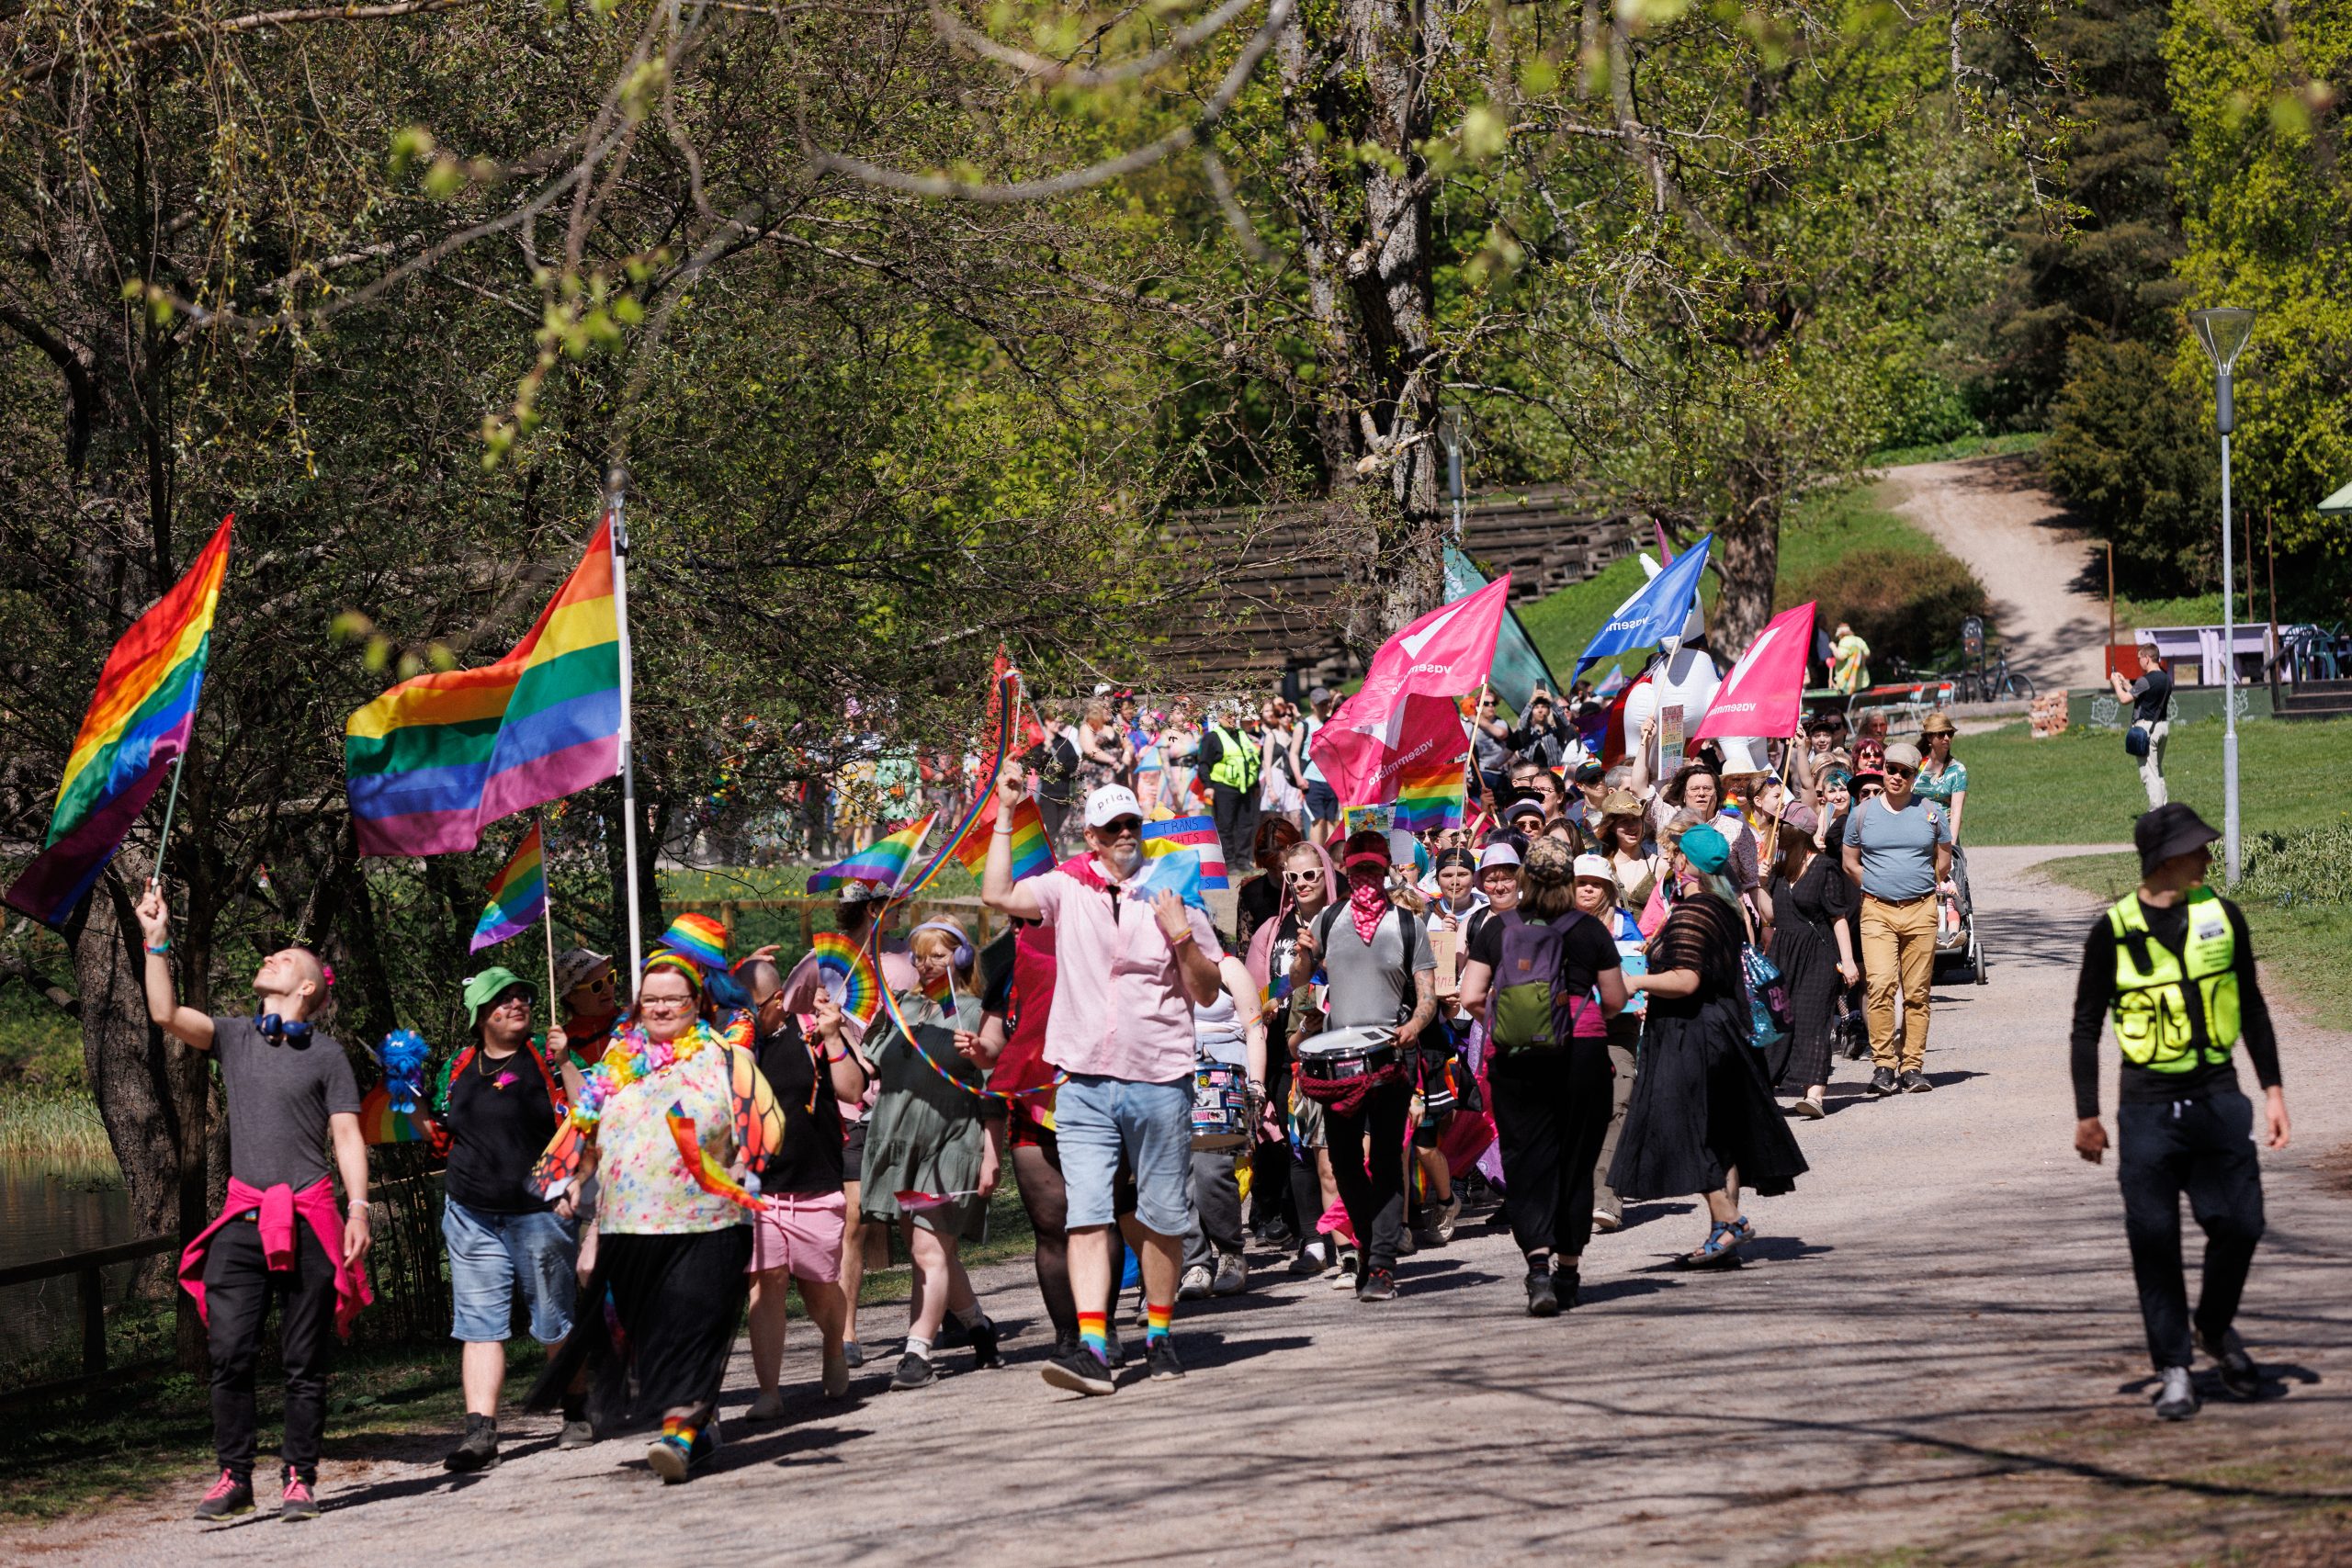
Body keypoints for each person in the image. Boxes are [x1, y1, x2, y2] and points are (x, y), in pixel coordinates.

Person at [981, 775, 1225, 1395]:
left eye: (1132, 826)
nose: (1124, 836)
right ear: (1090, 836)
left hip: (1159, 1078)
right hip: (1084, 1080)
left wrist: (1179, 933)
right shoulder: (1068, 887)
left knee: (1162, 1214)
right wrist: (1005, 813)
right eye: (1112, 828)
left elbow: (1205, 989)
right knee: (1086, 1214)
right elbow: (997, 893)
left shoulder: (1175, 893)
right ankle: (1093, 1345)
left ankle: (1160, 1334)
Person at [141, 886, 369, 1523]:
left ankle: (299, 1477)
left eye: (283, 959)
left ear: (307, 988)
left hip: (310, 1217)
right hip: (241, 1222)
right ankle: (233, 1476)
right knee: (230, 1354)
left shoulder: (327, 1055)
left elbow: (347, 1135)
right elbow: (164, 1013)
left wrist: (359, 1209)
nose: (269, 958)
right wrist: (155, 939)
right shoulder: (236, 1036)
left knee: (303, 1361)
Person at [529, 952, 782, 1483]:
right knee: (647, 1334)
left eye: (674, 998)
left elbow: (765, 1126)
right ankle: (700, 1425)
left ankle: (679, 1436)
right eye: (652, 998)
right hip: (630, 1226)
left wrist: (741, 1169)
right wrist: (578, 1188)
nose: (662, 1007)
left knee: (689, 1325)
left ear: (698, 1003)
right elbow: (590, 1132)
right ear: (638, 1005)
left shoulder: (724, 1057)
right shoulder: (618, 1062)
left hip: (706, 1222)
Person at [2069, 804, 2287, 1421]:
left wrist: (2273, 1089)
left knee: (2241, 1223)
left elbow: (2252, 1005)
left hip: (2219, 1096)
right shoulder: (2112, 931)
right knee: (2154, 1238)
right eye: (2198, 849)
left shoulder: (2223, 916)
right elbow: (2085, 1027)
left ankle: (2213, 1329)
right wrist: (2088, 1113)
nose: (2208, 858)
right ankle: (2173, 1367)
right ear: (2167, 859)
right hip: (2146, 1107)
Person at [1608, 825, 1809, 1265]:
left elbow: (1687, 980)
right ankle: (1723, 1236)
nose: (1673, 861)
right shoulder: (1727, 907)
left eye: (1677, 855)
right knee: (1721, 1137)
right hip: (1724, 1031)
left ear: (1686, 864)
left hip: (1693, 1035)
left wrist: (1635, 981)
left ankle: (1729, 1219)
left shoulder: (1693, 912)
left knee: (1687, 1131)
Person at [1454, 840, 1625, 1314]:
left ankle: (1537, 1270)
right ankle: (1568, 1272)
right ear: (1569, 880)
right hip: (1583, 1052)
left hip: (1516, 1056)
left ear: (1526, 878)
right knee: (1576, 1159)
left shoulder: (1498, 927)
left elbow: (1471, 996)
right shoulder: (1589, 929)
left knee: (1527, 1159)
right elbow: (1613, 999)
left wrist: (1513, 1024)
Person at [434, 967, 586, 1472]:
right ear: (480, 1015)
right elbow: (438, 1134)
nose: (517, 1003)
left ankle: (578, 1411)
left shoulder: (549, 1055)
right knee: (479, 1325)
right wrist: (405, 1094)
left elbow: (590, 1113)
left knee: (553, 1320)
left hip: (539, 1211)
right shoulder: (458, 1066)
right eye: (503, 999)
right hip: (470, 1212)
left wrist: (566, 1061)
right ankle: (480, 1433)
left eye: (522, 996)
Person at [1288, 829, 1438, 1303]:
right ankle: (1369, 1246)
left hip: (1391, 1056)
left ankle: (1382, 1266)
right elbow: (1298, 980)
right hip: (1338, 1063)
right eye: (1359, 870)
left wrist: (1414, 1024)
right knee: (1346, 1162)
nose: (1367, 878)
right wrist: (1301, 956)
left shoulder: (1409, 925)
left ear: (1387, 869)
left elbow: (1428, 997)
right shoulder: (1329, 921)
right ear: (1347, 873)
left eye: (1375, 869)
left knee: (1388, 1158)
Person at [854, 919, 1004, 1390]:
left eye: (937, 955)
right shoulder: (900, 1007)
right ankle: (978, 1326)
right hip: (902, 1146)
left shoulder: (980, 1012)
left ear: (960, 957)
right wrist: (836, 1034)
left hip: (952, 1144)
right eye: (919, 956)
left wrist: (991, 1156)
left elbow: (995, 1084)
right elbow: (867, 1070)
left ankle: (917, 1352)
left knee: (926, 1248)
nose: (924, 964)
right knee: (931, 1251)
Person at [740, 957, 867, 1417]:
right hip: (760, 1186)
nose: (739, 1016)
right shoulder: (733, 1043)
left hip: (815, 1180)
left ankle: (834, 1344)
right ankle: (769, 1392)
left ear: (776, 1001)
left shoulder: (812, 1030)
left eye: (747, 1007)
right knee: (767, 1281)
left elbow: (853, 1091)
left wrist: (834, 1037)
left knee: (818, 1288)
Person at [1250, 839, 1345, 1277]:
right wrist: (1269, 1003)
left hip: (1344, 1044)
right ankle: (1313, 1241)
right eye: (1295, 876)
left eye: (1311, 874)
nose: (1304, 883)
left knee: (1342, 1149)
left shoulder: (1347, 920)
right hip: (1290, 1050)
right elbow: (1256, 993)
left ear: (1325, 874)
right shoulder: (1273, 930)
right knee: (1299, 1149)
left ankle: (1357, 1234)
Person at [1841, 740, 1952, 1097]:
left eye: (1905, 772)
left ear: (1914, 776)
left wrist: (1920, 884)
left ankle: (1913, 1066)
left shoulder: (1932, 812)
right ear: (1883, 769)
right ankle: (1884, 1064)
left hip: (1920, 909)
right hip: (1876, 911)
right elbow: (1849, 861)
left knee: (1917, 993)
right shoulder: (1863, 814)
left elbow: (1944, 861)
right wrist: (1874, 884)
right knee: (1881, 985)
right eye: (1891, 769)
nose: (1896, 777)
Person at [1181, 953, 1269, 1298]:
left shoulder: (1228, 966)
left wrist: (1257, 1086)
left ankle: (1231, 1252)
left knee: (1211, 1172)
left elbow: (1254, 1027)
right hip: (1174, 1071)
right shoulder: (1159, 961)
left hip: (1221, 1078)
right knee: (1180, 1176)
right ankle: (1195, 1264)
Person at [1761, 829, 1858, 1119]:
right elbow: (1770, 916)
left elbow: (1838, 918)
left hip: (1818, 952)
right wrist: (1759, 884)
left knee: (1813, 1019)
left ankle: (1814, 1094)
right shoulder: (1780, 870)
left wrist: (1848, 961)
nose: (1778, 839)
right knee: (1776, 1020)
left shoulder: (1824, 867)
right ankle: (1766, 1090)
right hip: (1782, 953)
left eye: (1784, 834)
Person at [1197, 702, 1264, 874]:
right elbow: (1204, 764)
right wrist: (1208, 786)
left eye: (1234, 714)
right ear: (1219, 718)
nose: (1233, 718)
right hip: (1223, 788)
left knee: (1246, 825)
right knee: (1225, 825)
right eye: (1229, 715)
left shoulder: (1242, 734)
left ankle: (1243, 860)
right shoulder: (1212, 737)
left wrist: (1255, 784)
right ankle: (1229, 861)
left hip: (1246, 788)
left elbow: (1251, 762)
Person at [2111, 640, 2174, 811]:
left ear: (2147, 658)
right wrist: (2125, 683)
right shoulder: (2165, 679)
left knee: (2149, 774)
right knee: (2157, 772)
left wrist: (2116, 685)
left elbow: (2125, 699)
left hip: (2147, 730)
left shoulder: (2145, 680)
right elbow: (2144, 696)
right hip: (2161, 727)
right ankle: (2164, 810)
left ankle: (2156, 812)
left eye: (2140, 658)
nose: (2139, 662)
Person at [1235, 815, 1305, 946]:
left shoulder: (1314, 884)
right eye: (1271, 868)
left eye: (1282, 867)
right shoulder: (1251, 892)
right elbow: (1244, 950)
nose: (1279, 876)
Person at [1031, 707, 1083, 847]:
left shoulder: (1065, 743)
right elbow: (1036, 765)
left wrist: (1063, 768)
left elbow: (1074, 762)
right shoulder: (1040, 746)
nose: (1058, 724)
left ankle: (1062, 855)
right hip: (1047, 794)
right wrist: (1045, 750)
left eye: (1060, 721)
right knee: (1052, 827)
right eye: (1055, 721)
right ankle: (1054, 856)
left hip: (1063, 792)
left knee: (1063, 828)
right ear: (1047, 722)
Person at [1300, 686, 1340, 843]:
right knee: (1318, 820)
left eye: (1326, 703)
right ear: (1312, 705)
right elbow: (1293, 754)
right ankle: (1317, 856)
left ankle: (1331, 859)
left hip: (1330, 780)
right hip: (1312, 779)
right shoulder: (1304, 725)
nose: (1323, 707)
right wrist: (1299, 778)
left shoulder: (1332, 724)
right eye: (1320, 704)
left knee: (1331, 820)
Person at [1830, 621, 1871, 696]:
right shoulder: (1859, 640)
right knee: (1859, 704)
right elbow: (1867, 653)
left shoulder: (1844, 641)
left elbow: (1841, 657)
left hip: (1847, 682)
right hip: (1861, 680)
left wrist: (1833, 647)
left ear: (1841, 634)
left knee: (1848, 704)